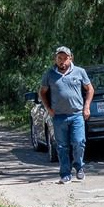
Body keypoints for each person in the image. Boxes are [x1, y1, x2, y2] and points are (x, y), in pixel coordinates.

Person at [39, 47, 94, 184]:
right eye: (59, 58)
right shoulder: (49, 74)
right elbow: (42, 92)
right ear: (55, 59)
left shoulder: (80, 72)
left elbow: (90, 89)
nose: (62, 61)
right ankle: (65, 174)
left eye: (65, 58)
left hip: (76, 115)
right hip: (59, 116)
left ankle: (79, 167)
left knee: (79, 142)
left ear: (71, 58)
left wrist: (86, 107)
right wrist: (48, 109)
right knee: (62, 146)